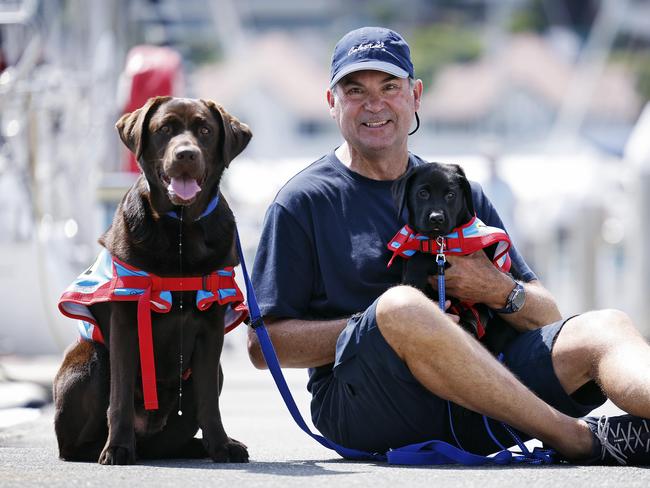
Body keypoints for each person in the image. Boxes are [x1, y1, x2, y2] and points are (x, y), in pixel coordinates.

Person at [248, 26, 650, 465]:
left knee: (605, 326)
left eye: (389, 87)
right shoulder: (301, 202)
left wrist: (495, 288)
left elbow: (546, 318)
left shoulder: (461, 192)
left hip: (488, 395)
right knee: (402, 306)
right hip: (372, 405)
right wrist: (393, 329)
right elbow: (261, 346)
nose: (374, 104)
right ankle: (575, 439)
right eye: (355, 90)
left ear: (415, 96)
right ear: (332, 103)